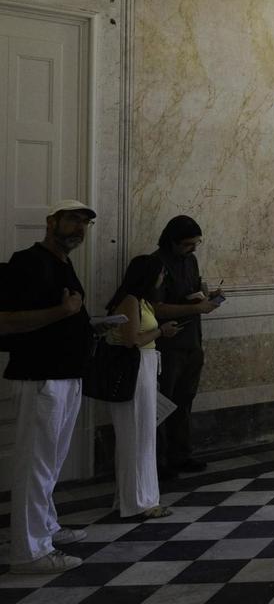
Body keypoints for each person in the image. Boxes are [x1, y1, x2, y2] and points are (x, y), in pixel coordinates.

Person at [0, 201, 96, 573]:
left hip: (65, 375)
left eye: (85, 223)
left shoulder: (63, 264)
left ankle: (45, 527)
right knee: (35, 466)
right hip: (40, 377)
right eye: (72, 219)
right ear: (50, 221)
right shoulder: (26, 262)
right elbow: (6, 322)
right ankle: (29, 552)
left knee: (51, 463)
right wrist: (64, 313)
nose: (79, 228)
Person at [105, 255, 180, 519]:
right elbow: (132, 341)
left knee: (143, 437)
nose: (163, 279)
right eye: (160, 274)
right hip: (134, 373)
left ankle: (140, 498)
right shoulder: (130, 301)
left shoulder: (143, 301)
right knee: (135, 437)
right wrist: (161, 332)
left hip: (145, 370)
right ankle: (138, 502)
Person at [152, 216, 221, 477]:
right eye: (187, 244)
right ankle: (158, 461)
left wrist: (206, 296)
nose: (192, 249)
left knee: (184, 401)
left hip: (192, 340)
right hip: (168, 345)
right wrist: (194, 307)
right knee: (163, 403)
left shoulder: (190, 261)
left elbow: (193, 290)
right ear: (172, 241)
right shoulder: (155, 264)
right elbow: (154, 307)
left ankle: (181, 455)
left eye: (196, 244)